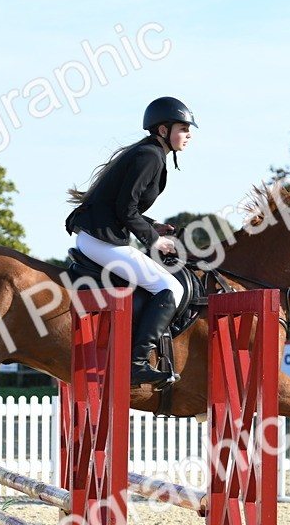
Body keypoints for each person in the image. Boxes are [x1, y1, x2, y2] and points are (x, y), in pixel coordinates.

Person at [65, 96, 196, 387]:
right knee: (169, 286)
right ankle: (136, 364)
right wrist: (154, 241)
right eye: (183, 128)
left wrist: (153, 226)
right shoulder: (150, 155)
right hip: (102, 241)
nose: (189, 135)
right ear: (163, 130)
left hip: (101, 236)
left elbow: (125, 207)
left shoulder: (150, 152)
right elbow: (125, 209)